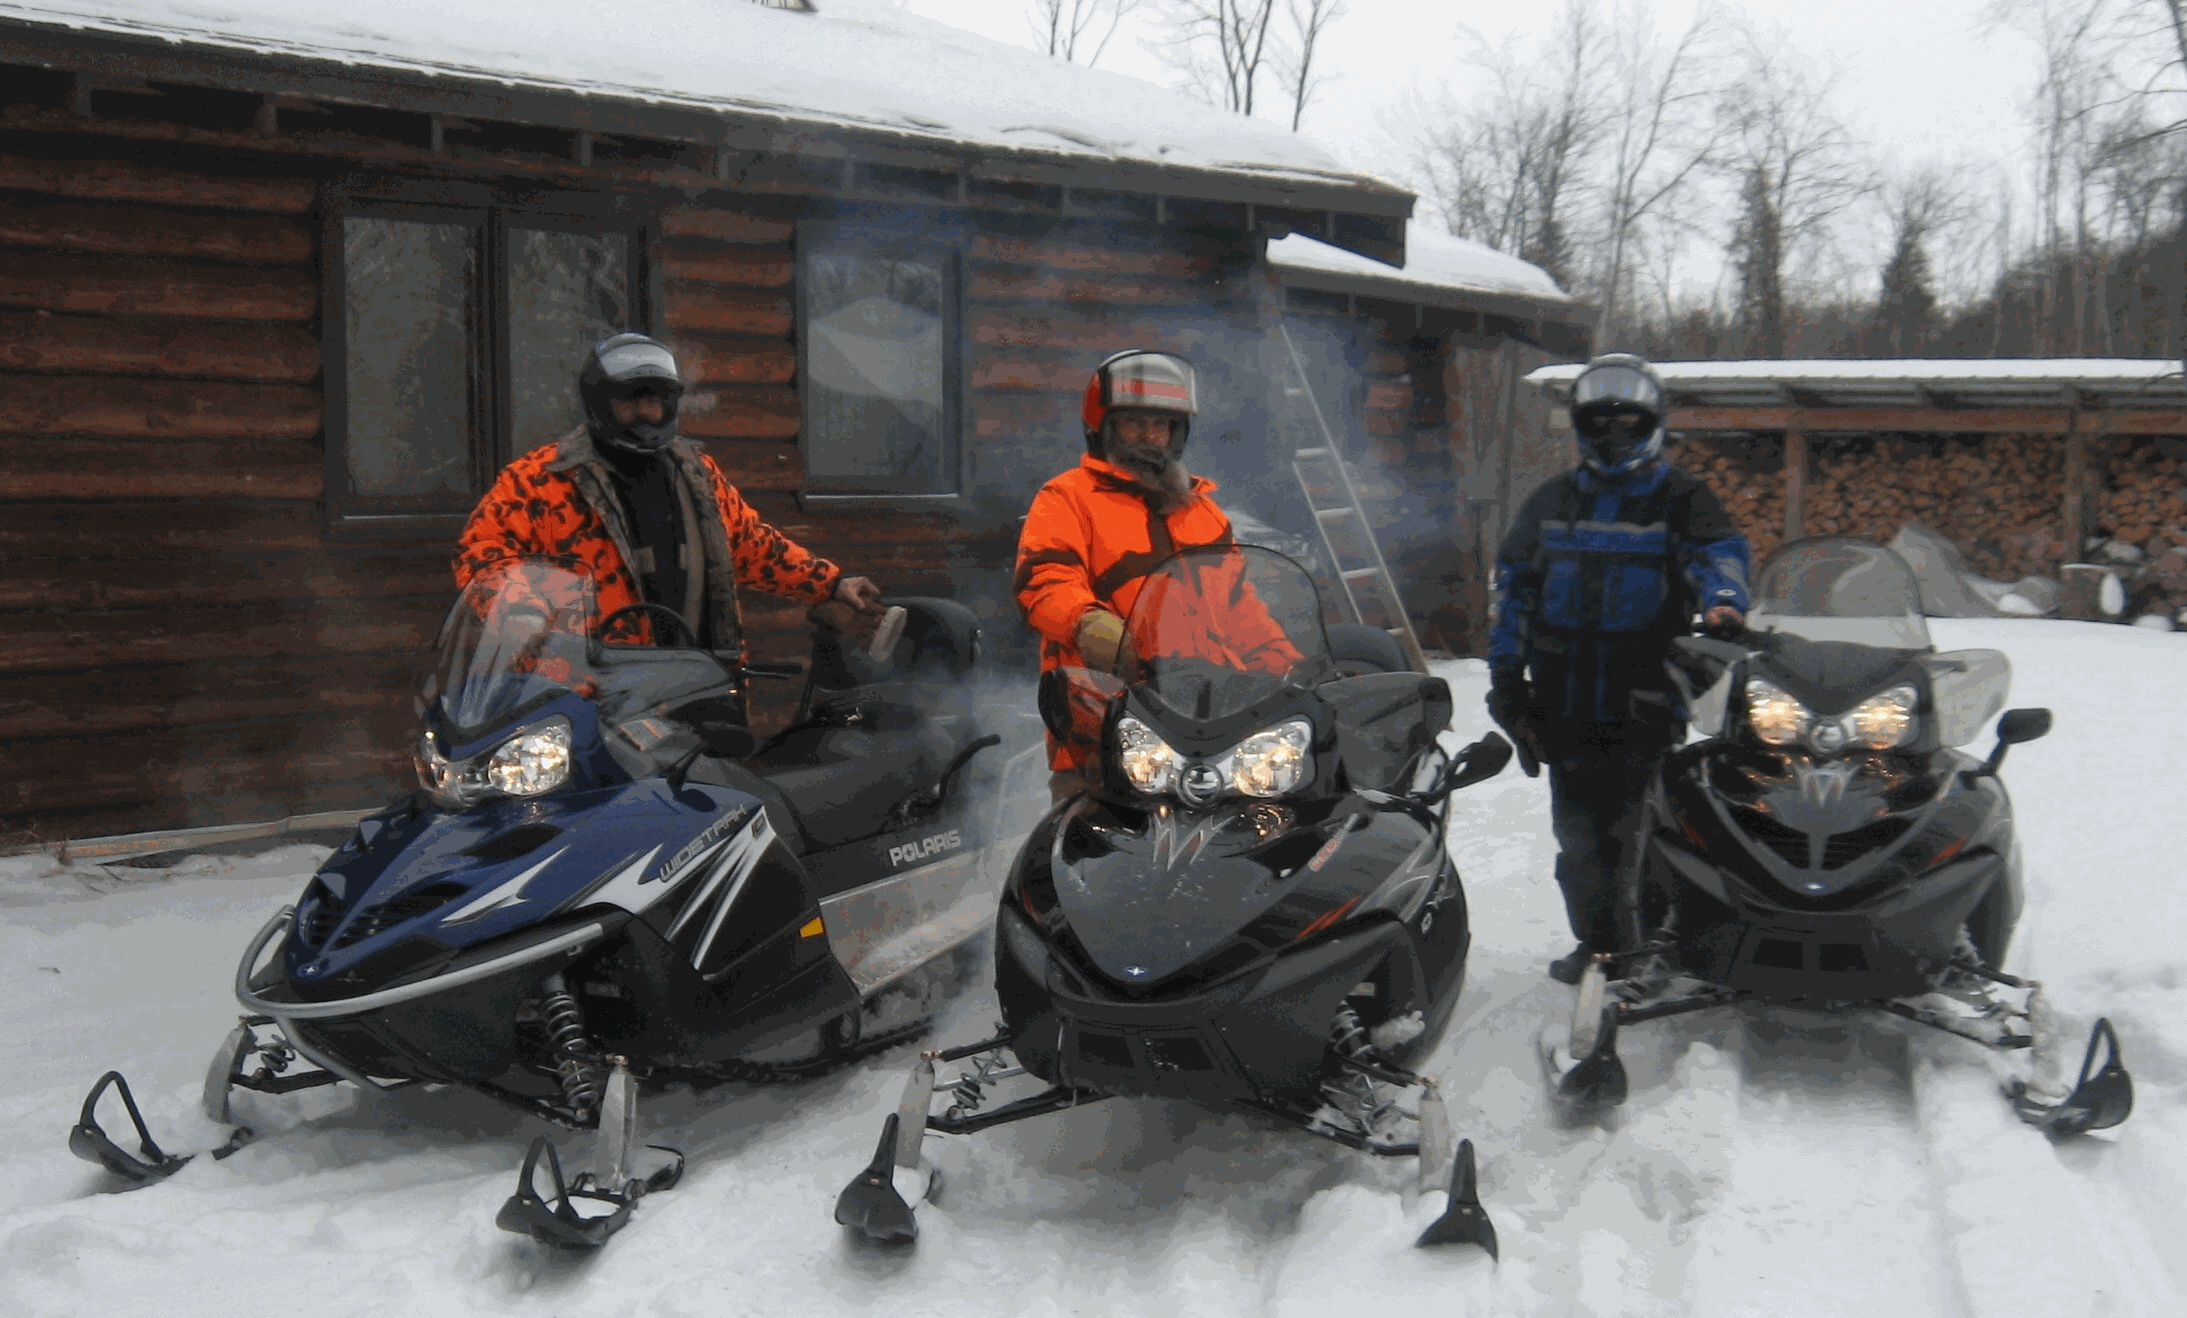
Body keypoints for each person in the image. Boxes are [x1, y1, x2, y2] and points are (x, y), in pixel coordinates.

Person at [1485, 353, 1751, 984]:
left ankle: (1652, 942)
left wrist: (1722, 605)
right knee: (1579, 843)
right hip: (1563, 698)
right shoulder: (1550, 501)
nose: (1612, 436)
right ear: (1580, 428)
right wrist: (1505, 682)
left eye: (1626, 424)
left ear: (1651, 426)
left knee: (1642, 834)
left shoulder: (1683, 498)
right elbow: (1514, 592)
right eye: (1599, 425)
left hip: (1647, 694)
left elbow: (1723, 558)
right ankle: (1599, 947)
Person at [455, 331, 884, 663]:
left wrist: (829, 583)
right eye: (630, 402)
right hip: (591, 690)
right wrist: (526, 614)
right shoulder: (540, 479)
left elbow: (753, 546)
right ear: (600, 403)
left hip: (699, 678)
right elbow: (482, 557)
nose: (644, 412)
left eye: (655, 402)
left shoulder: (697, 473)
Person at [1014, 350, 1296, 795]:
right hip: (1110, 719)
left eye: (1161, 425)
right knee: (1090, 852)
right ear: (1105, 427)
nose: (1149, 436)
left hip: (1215, 723)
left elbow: (1240, 607)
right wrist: (1098, 630)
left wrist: (1287, 670)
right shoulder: (1068, 497)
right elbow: (1044, 581)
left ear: (1177, 434)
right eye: (1135, 423)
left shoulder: (1203, 512)